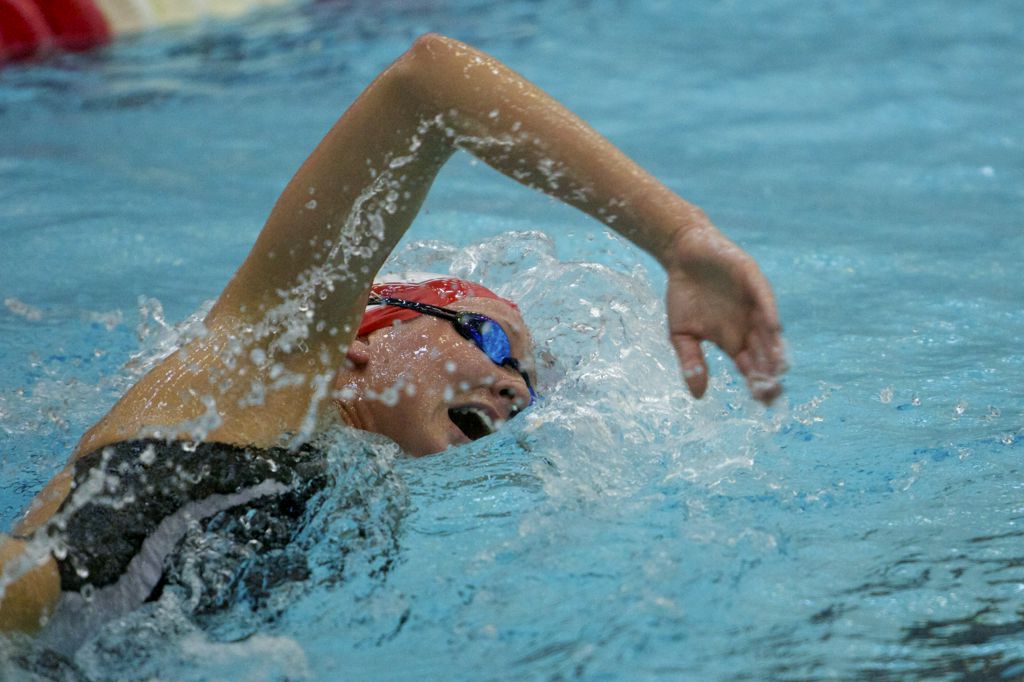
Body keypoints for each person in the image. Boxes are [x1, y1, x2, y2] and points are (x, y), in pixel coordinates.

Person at [0, 33, 786, 638]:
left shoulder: (335, 503)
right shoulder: (269, 362)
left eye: (528, 385)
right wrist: (681, 236)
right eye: (492, 338)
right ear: (364, 326)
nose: (514, 385)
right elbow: (430, 86)